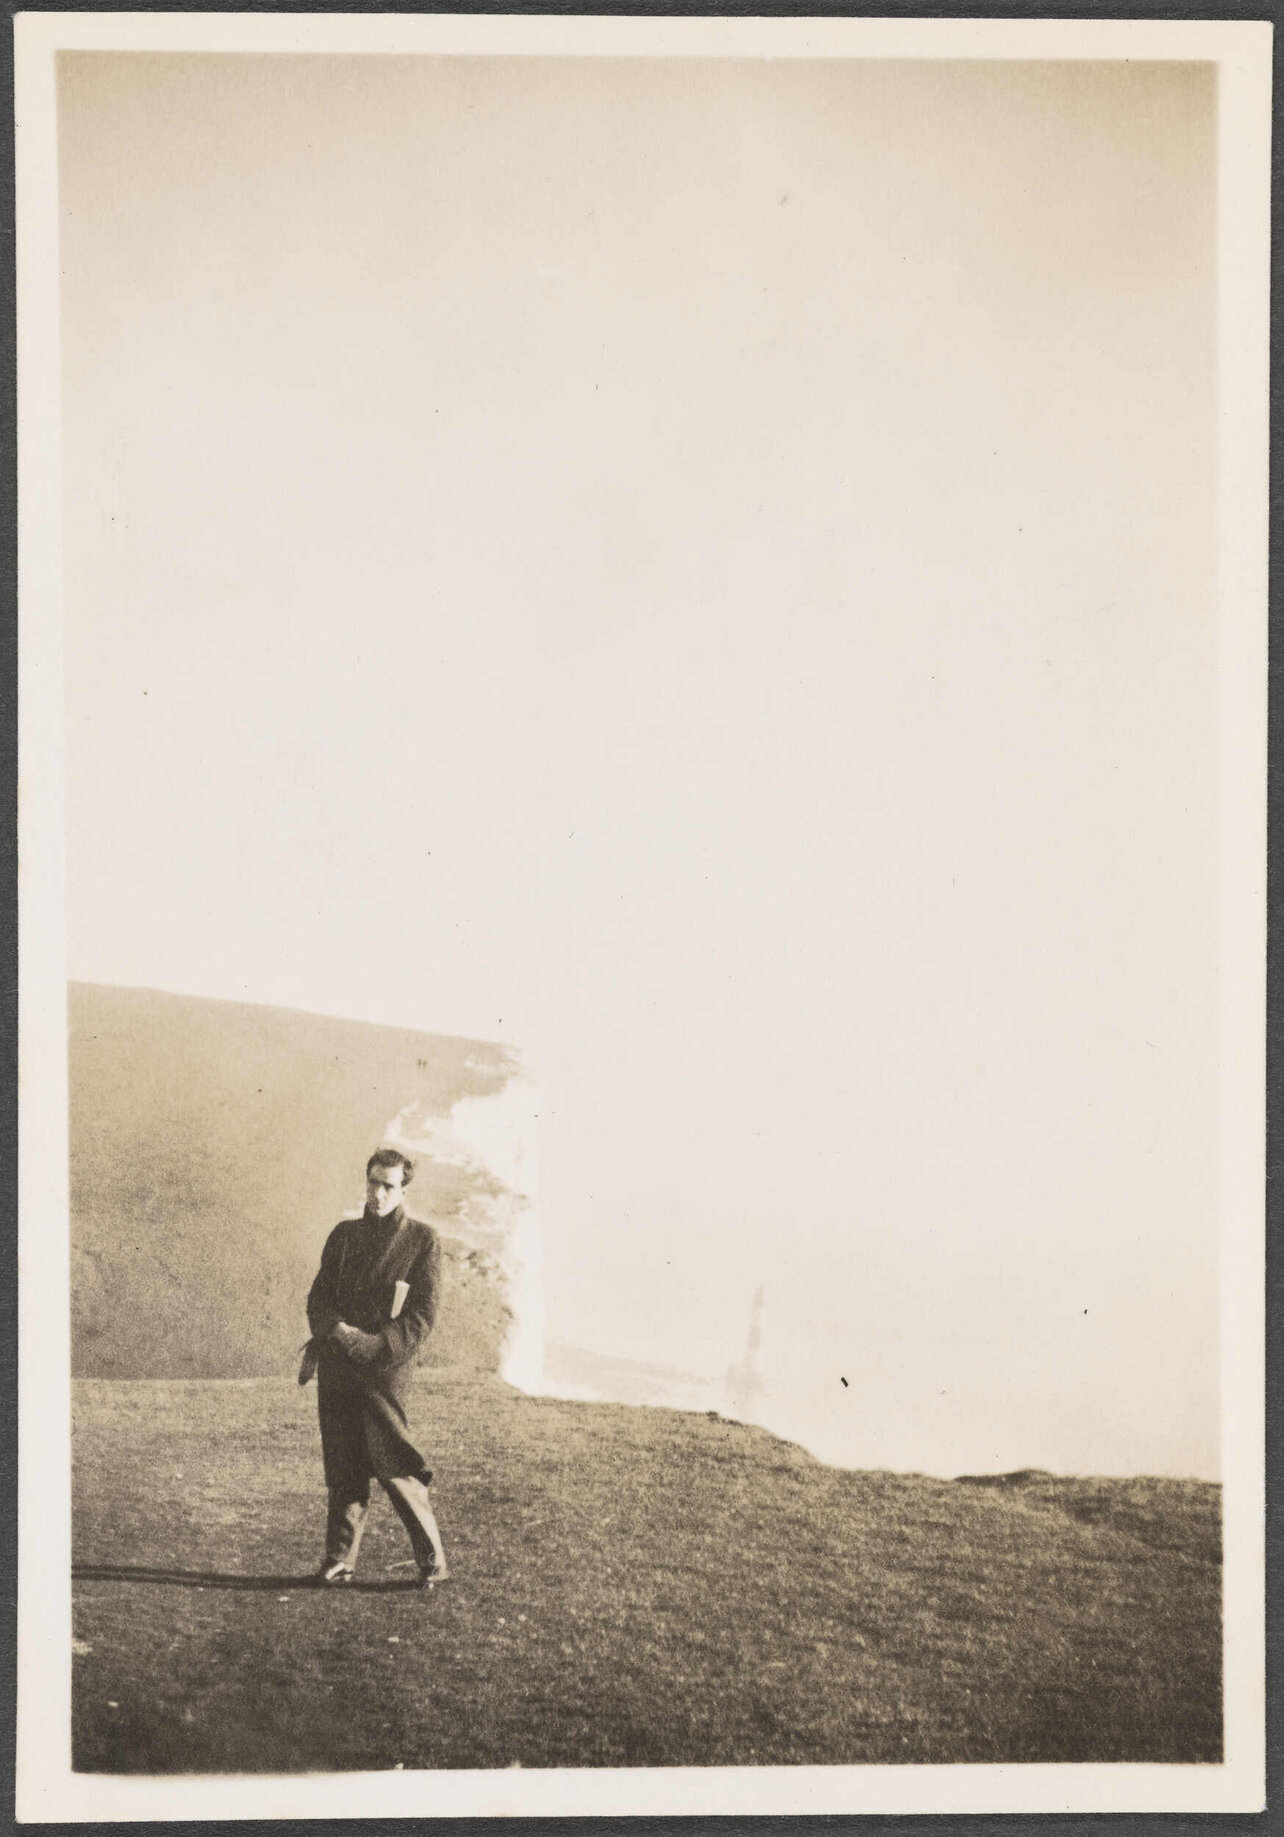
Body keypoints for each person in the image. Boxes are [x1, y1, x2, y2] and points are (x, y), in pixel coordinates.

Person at [303, 1148, 449, 1587]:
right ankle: (339, 1560)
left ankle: (433, 1562)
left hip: (385, 1372)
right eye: (373, 1182)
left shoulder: (422, 1240)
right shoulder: (343, 1236)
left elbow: (422, 1316)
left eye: (388, 1185)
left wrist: (377, 1344)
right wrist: (337, 1330)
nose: (378, 1193)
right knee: (343, 1465)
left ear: (403, 1190)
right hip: (339, 1366)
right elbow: (319, 1297)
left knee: (395, 1465)